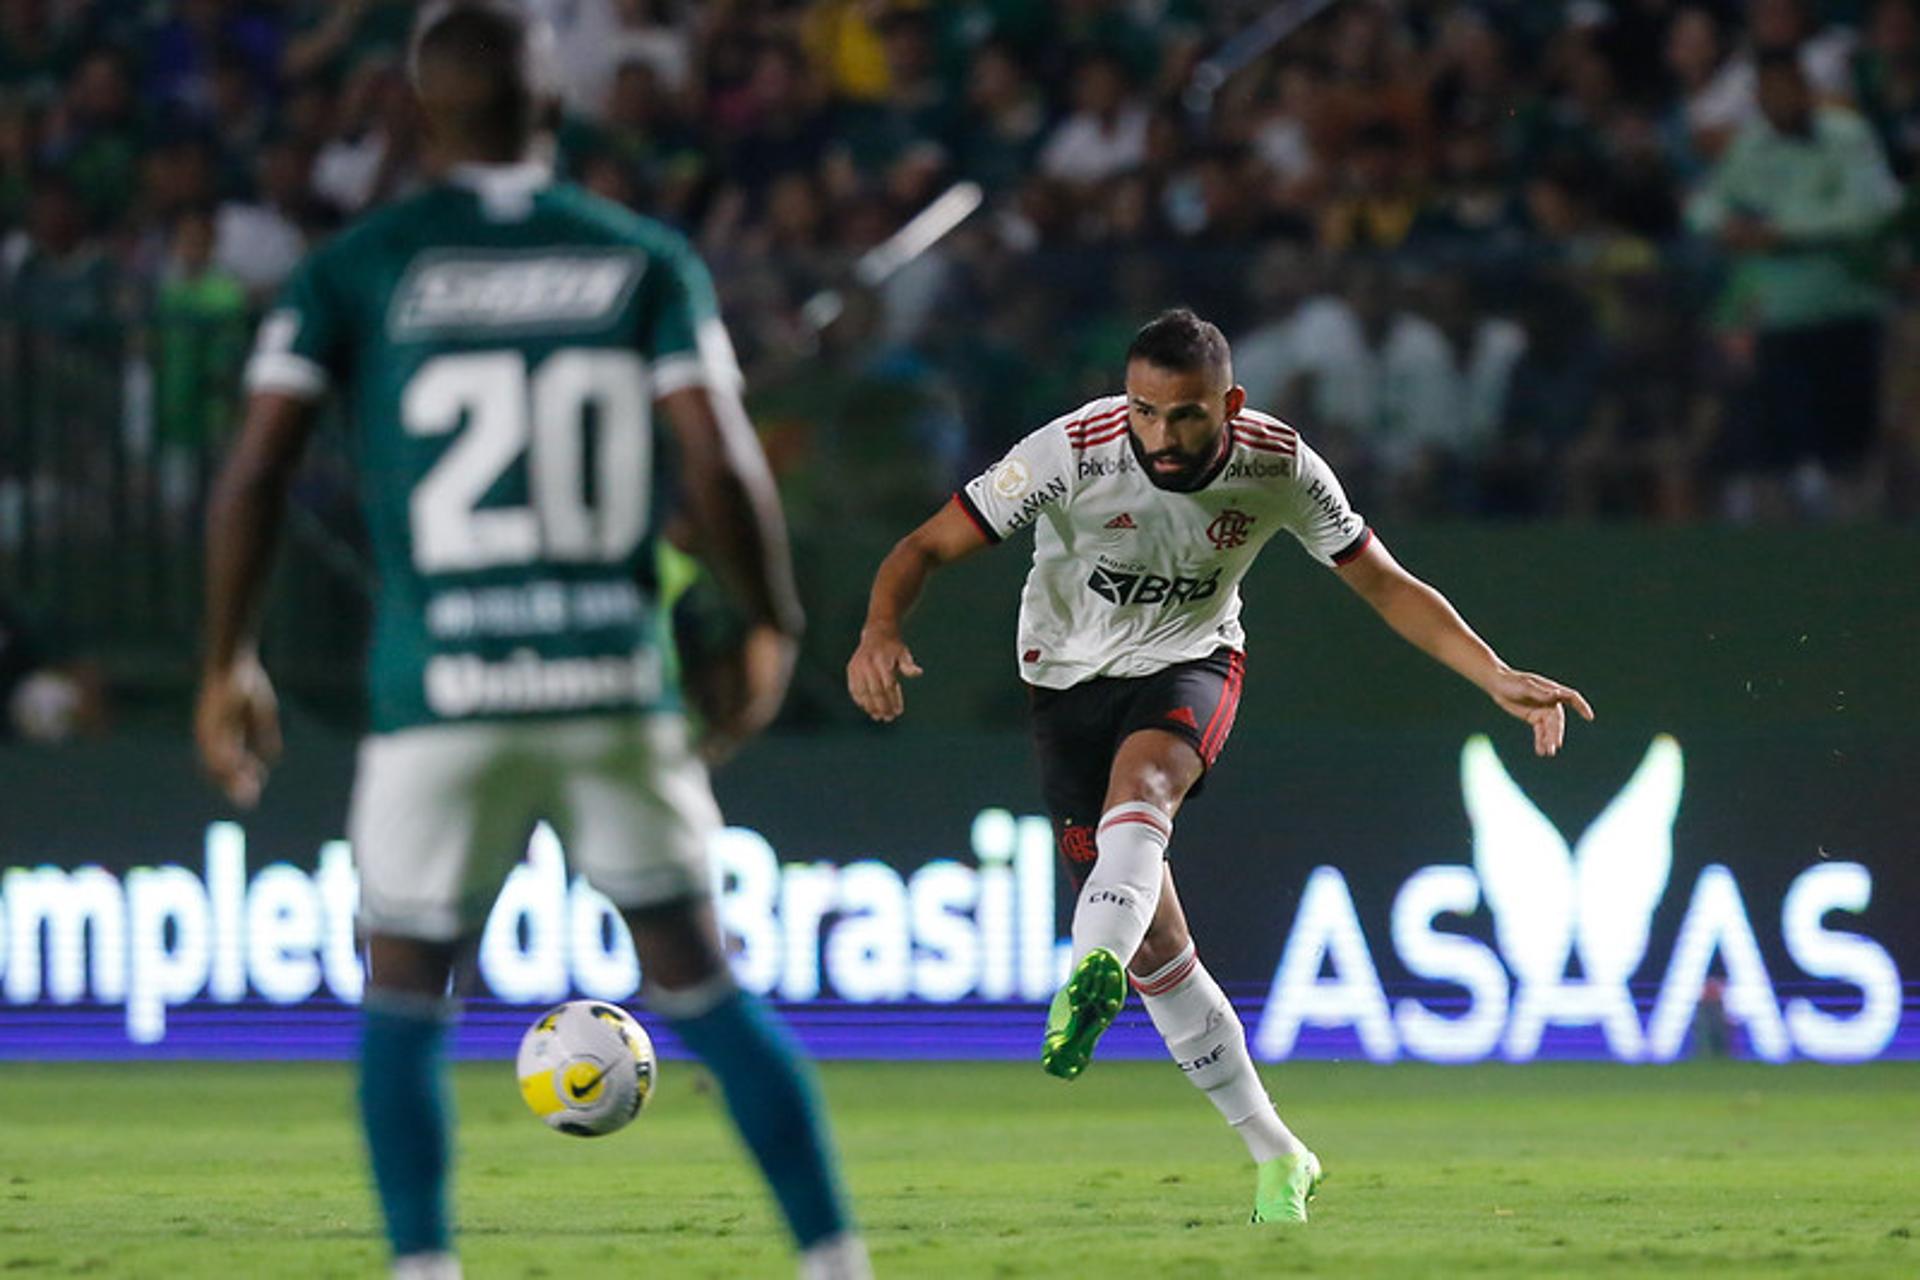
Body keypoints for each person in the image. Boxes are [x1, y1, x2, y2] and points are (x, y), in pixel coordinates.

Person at [193, 6, 867, 1279]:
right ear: (556, 112)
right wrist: (772, 621)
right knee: (704, 987)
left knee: (402, 990)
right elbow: (719, 461)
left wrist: (228, 654)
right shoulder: (644, 259)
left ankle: (427, 1265)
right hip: (611, 678)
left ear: (419, 114)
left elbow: (253, 477)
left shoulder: (358, 268)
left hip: (439, 691)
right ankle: (837, 1260)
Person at [846, 308, 1593, 1226]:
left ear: (1229, 405)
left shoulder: (1278, 465)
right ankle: (1279, 1152)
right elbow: (923, 546)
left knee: (1147, 786)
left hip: (1192, 663)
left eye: (1187, 416)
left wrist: (1493, 673)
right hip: (1065, 687)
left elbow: (1383, 580)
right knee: (1164, 951)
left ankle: (1090, 966)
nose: (1162, 435)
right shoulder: (1071, 450)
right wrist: (881, 629)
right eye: (1145, 413)